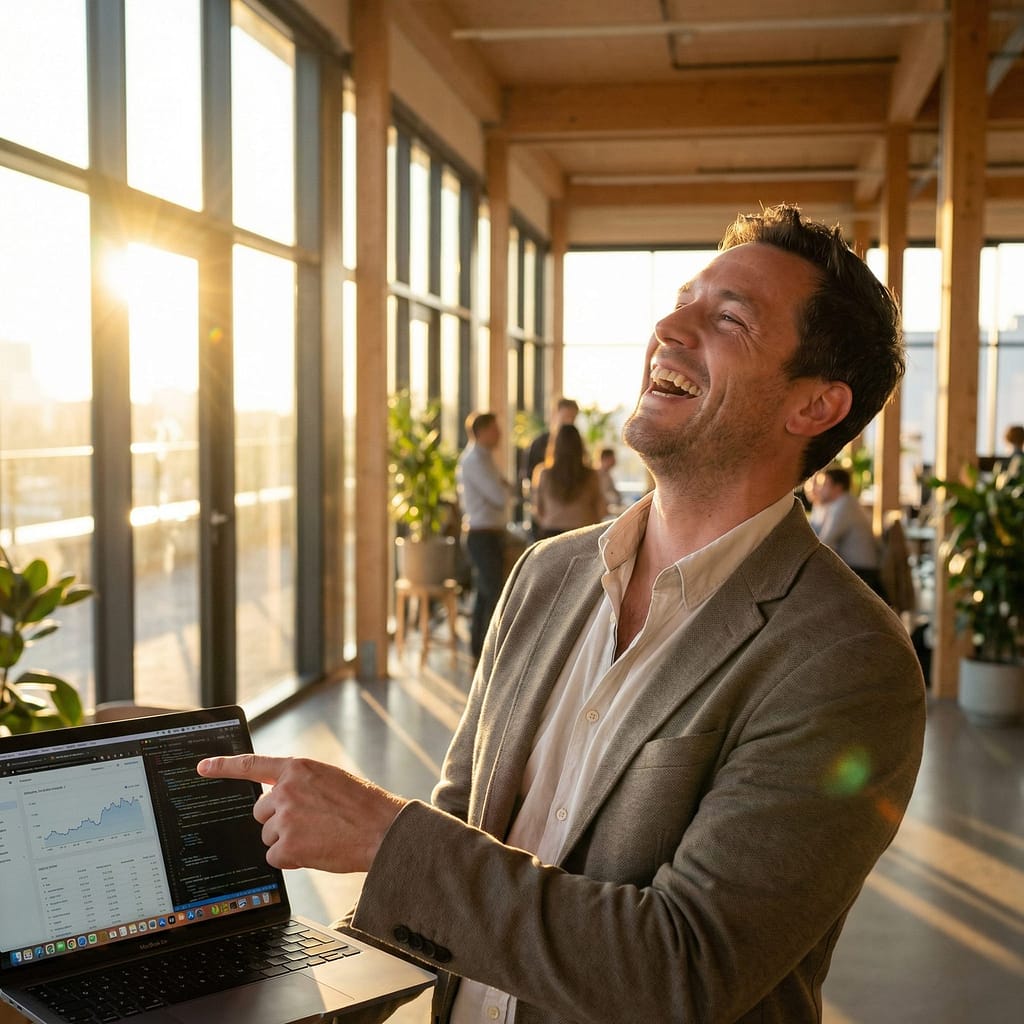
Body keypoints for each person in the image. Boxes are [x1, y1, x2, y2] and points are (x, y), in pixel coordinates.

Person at [198, 204, 926, 1024]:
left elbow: (685, 968)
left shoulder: (844, 659)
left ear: (815, 407)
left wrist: (386, 837)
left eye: (728, 318)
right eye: (685, 298)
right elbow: (462, 825)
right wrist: (305, 1003)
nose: (669, 323)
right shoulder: (548, 573)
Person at [454, 411, 512, 661]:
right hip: (481, 535)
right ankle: (485, 653)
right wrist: (504, 487)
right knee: (491, 593)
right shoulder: (474, 461)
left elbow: (503, 492)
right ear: (482, 431)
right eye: (494, 429)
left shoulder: (485, 458)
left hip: (489, 533)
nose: (499, 434)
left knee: (486, 593)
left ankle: (479, 652)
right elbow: (500, 496)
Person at [814, 465, 885, 597]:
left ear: (837, 487)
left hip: (861, 572)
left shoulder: (844, 506)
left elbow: (823, 542)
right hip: (856, 568)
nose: (819, 489)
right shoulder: (841, 503)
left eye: (824, 485)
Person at [530, 424, 607, 539]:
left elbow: (538, 510)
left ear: (555, 447)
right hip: (583, 534)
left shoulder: (543, 474)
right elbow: (602, 510)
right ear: (580, 446)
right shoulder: (591, 475)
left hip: (551, 535)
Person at [597, 446, 623, 514]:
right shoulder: (597, 475)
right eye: (613, 458)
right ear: (605, 458)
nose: (615, 461)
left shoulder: (607, 475)